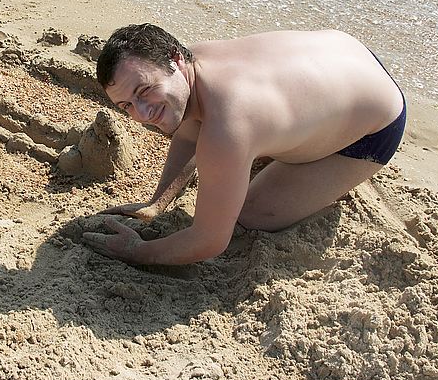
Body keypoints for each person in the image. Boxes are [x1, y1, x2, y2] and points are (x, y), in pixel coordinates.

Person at [82, 24, 406, 266]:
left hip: (379, 125)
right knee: (203, 120)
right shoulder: (193, 62)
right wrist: (157, 202)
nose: (142, 113)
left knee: (252, 214)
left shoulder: (227, 126)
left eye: (144, 91)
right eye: (126, 105)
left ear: (175, 60)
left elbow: (209, 240)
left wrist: (138, 252)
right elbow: (188, 129)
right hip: (348, 52)